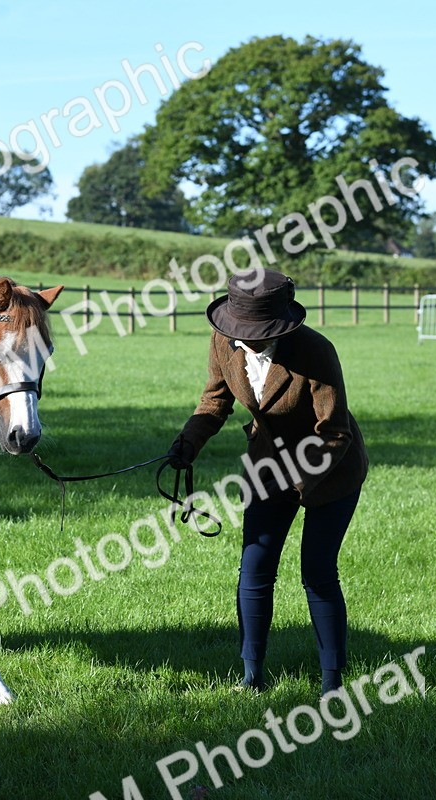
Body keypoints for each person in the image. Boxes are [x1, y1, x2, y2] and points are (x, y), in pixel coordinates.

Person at [169, 269, 368, 694]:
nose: (244, 340)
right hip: (266, 467)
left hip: (331, 470)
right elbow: (215, 399)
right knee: (254, 571)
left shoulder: (315, 351)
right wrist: (188, 443)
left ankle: (332, 684)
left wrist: (295, 481)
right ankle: (251, 676)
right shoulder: (224, 341)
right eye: (239, 331)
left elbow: (335, 432)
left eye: (254, 333)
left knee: (317, 573)